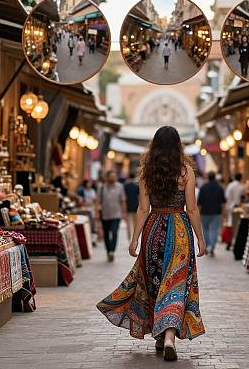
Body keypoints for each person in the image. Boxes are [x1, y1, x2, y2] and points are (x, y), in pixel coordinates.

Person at [97, 126, 206, 361]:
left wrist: (135, 238)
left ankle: (160, 337)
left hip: (154, 230)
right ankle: (167, 337)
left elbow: (143, 209)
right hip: (179, 231)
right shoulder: (186, 171)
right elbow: (193, 208)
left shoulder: (147, 171)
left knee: (155, 282)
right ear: (178, 145)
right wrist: (201, 238)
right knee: (175, 284)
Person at [97, 170, 126, 262]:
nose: (113, 178)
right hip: (105, 215)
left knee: (114, 232)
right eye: (111, 176)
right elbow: (98, 201)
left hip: (116, 215)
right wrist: (97, 213)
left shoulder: (120, 187)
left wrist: (123, 212)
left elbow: (123, 200)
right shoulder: (101, 187)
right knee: (106, 234)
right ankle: (108, 251)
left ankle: (112, 252)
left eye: (114, 176)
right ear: (107, 177)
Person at [198, 171, 225, 257]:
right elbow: (223, 202)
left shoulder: (203, 187)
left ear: (208, 177)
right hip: (216, 212)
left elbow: (199, 202)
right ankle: (212, 247)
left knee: (205, 229)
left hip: (205, 212)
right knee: (214, 229)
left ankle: (208, 245)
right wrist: (224, 213)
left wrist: (199, 213)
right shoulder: (220, 188)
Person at [224, 173, 245, 249]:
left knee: (230, 223)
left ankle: (229, 241)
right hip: (237, 207)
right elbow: (243, 197)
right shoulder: (241, 186)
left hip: (229, 206)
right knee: (236, 225)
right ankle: (233, 241)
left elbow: (226, 196)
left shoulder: (230, 185)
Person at [123, 172, 139, 240]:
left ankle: (129, 238)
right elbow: (139, 197)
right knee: (135, 224)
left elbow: (123, 197)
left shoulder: (125, 186)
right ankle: (134, 237)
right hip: (135, 206)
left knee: (128, 224)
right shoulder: (136, 186)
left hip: (127, 206)